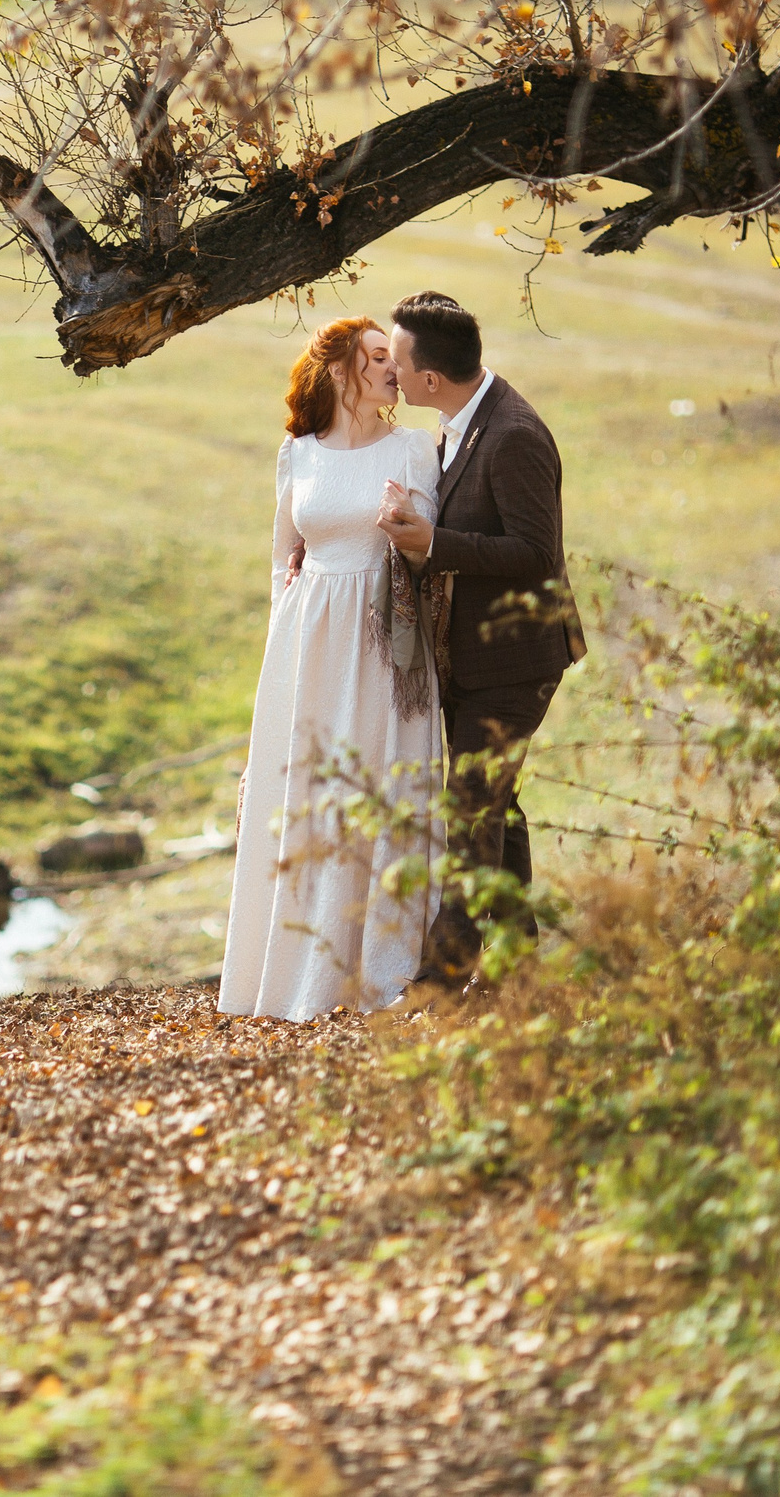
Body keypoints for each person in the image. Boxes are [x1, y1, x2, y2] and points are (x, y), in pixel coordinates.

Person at [219, 316, 445, 1022]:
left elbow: (429, 559)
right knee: (313, 793)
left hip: (384, 643)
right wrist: (276, 663)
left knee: (378, 787)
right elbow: (280, 559)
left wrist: (404, 535)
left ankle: (382, 976)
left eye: (394, 357)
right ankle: (297, 976)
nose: (393, 368)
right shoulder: (298, 453)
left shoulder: (414, 451)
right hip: (308, 642)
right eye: (377, 356)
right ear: (343, 369)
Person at [374, 291, 583, 984]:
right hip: (470, 662)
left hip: (516, 663)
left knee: (470, 811)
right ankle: (523, 964)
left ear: (430, 377)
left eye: (399, 361)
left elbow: (533, 552)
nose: (392, 372)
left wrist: (435, 543)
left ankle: (441, 984)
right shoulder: (458, 420)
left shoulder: (515, 433)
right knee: (497, 808)